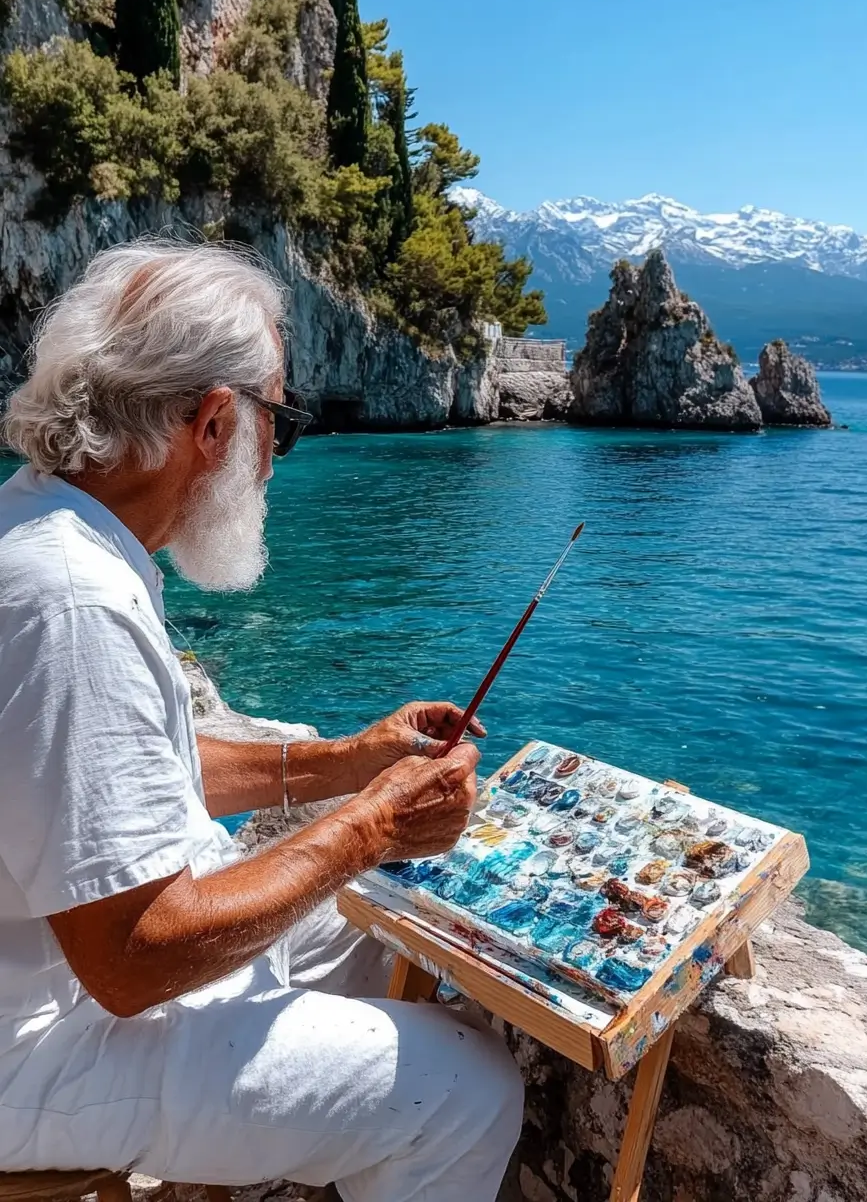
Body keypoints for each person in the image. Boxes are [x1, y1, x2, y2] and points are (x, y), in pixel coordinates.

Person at [0, 241, 524, 1202]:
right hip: (37, 1045)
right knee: (471, 1091)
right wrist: (371, 827)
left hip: (48, 980)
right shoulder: (74, 602)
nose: (275, 459)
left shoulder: (39, 528)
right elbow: (130, 958)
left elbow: (108, 776)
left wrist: (342, 762)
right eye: (279, 426)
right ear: (211, 422)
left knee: (385, 943)